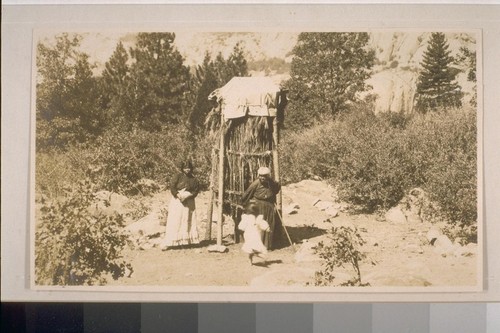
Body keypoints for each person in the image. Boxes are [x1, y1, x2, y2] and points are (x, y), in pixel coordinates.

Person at [161, 160, 200, 250]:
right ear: (182, 168)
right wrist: (178, 195)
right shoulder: (178, 177)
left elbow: (196, 190)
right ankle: (172, 241)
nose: (187, 170)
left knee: (187, 220)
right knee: (176, 220)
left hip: (189, 202)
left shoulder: (194, 179)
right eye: (185, 168)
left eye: (189, 168)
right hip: (177, 201)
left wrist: (188, 195)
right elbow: (172, 187)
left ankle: (187, 241)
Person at [241, 166, 282, 250]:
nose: (262, 178)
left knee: (269, 225)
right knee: (258, 225)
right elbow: (247, 194)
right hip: (258, 206)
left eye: (264, 176)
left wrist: (274, 185)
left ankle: (267, 246)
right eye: (261, 175)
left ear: (268, 176)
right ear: (258, 175)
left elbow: (277, 188)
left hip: (269, 206)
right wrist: (245, 204)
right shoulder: (256, 183)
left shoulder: (271, 183)